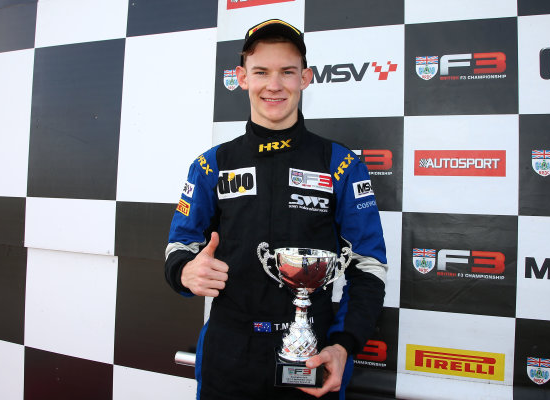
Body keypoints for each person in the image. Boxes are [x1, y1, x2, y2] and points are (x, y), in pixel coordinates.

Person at [165, 19, 388, 400]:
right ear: (241, 78)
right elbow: (180, 244)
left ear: (305, 78)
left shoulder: (341, 164)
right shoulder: (210, 165)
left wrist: (343, 344)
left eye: (287, 72)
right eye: (261, 72)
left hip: (310, 353)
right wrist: (185, 271)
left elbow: (368, 267)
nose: (274, 85)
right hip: (228, 351)